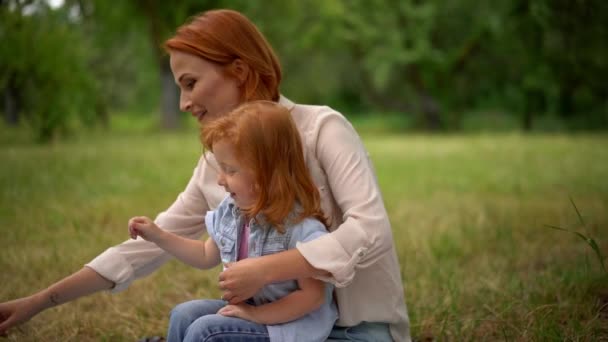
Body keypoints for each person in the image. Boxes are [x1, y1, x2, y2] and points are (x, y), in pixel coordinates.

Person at [0, 8, 410, 342]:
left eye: (191, 83)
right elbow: (145, 246)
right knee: (188, 317)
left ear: (241, 71)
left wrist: (268, 269)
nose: (183, 102)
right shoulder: (216, 167)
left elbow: (371, 229)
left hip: (358, 331)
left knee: (208, 331)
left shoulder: (322, 129)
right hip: (272, 324)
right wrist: (40, 300)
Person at [128, 101, 338, 342]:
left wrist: (256, 314)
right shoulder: (233, 210)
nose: (220, 180)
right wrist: (158, 235)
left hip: (289, 329)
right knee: (183, 314)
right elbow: (206, 255)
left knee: (205, 331)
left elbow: (312, 297)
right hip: (252, 311)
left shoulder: (300, 226)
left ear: (265, 173)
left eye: (230, 170)